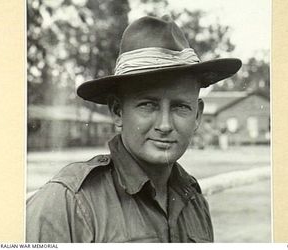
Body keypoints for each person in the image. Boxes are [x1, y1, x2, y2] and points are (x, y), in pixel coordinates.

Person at [26, 15, 241, 243]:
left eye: (180, 107)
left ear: (197, 115)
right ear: (118, 112)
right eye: (148, 105)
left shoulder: (194, 200)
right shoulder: (69, 202)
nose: (165, 125)